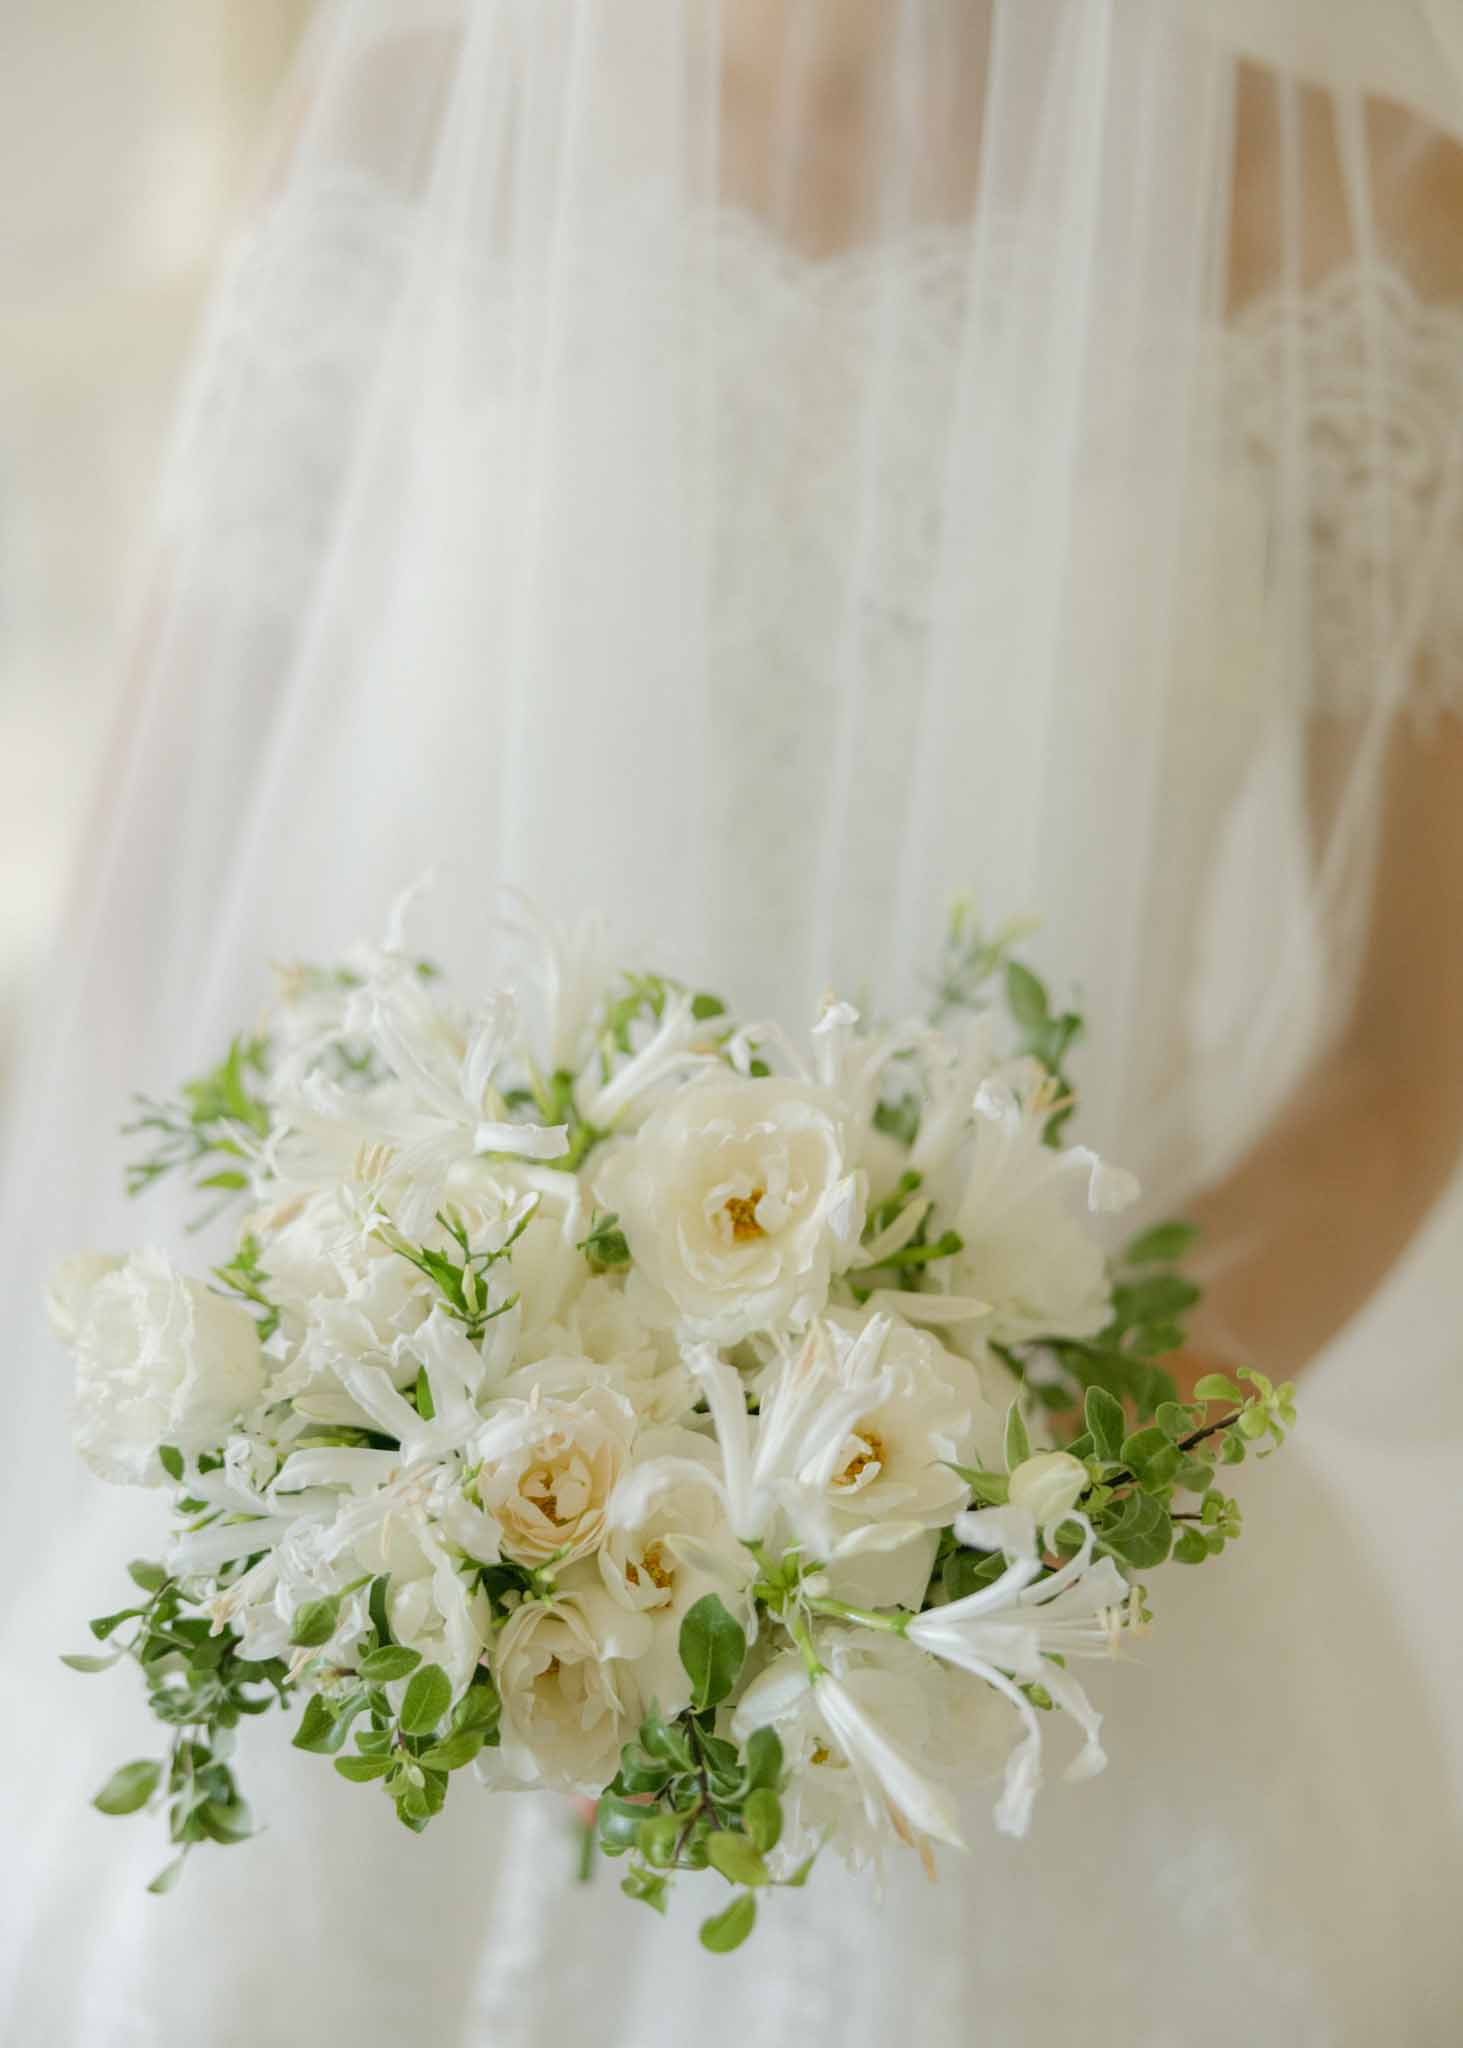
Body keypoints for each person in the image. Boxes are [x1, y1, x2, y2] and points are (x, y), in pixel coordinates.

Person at [2, 4, 1461, 2041]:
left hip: (1038, 1629)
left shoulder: (1354, 216)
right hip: (408, 1551)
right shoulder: (403, 122)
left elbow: (1404, 1063)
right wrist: (391, 1403)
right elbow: (169, 911)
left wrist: (982, 1502)